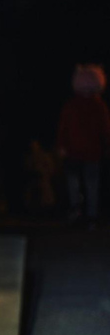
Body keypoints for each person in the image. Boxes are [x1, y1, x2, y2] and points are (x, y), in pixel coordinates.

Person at [56, 64, 110, 227]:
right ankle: (87, 213)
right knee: (87, 184)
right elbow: (105, 130)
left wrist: (61, 145)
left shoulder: (75, 105)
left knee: (79, 183)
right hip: (87, 152)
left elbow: (63, 127)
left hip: (78, 151)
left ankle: (79, 211)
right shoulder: (97, 106)